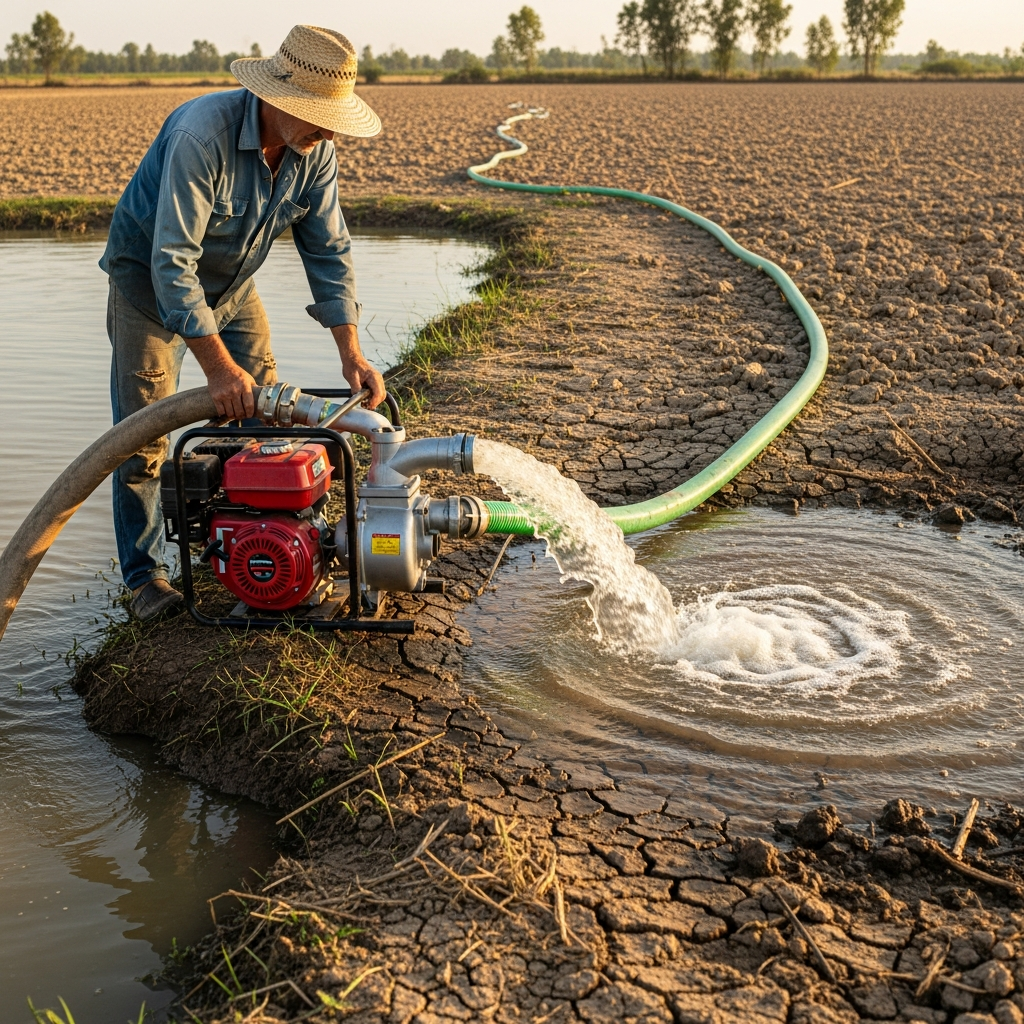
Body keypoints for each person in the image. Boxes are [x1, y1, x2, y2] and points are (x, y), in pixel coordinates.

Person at [99, 25, 385, 621]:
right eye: (317, 116)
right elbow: (171, 263)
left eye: (333, 119)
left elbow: (329, 252)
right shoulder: (200, 136)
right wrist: (217, 369)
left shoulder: (314, 153)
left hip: (231, 286)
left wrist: (350, 353)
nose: (328, 130)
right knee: (143, 439)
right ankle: (145, 580)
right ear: (278, 99)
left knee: (266, 409)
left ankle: (245, 551)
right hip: (148, 289)